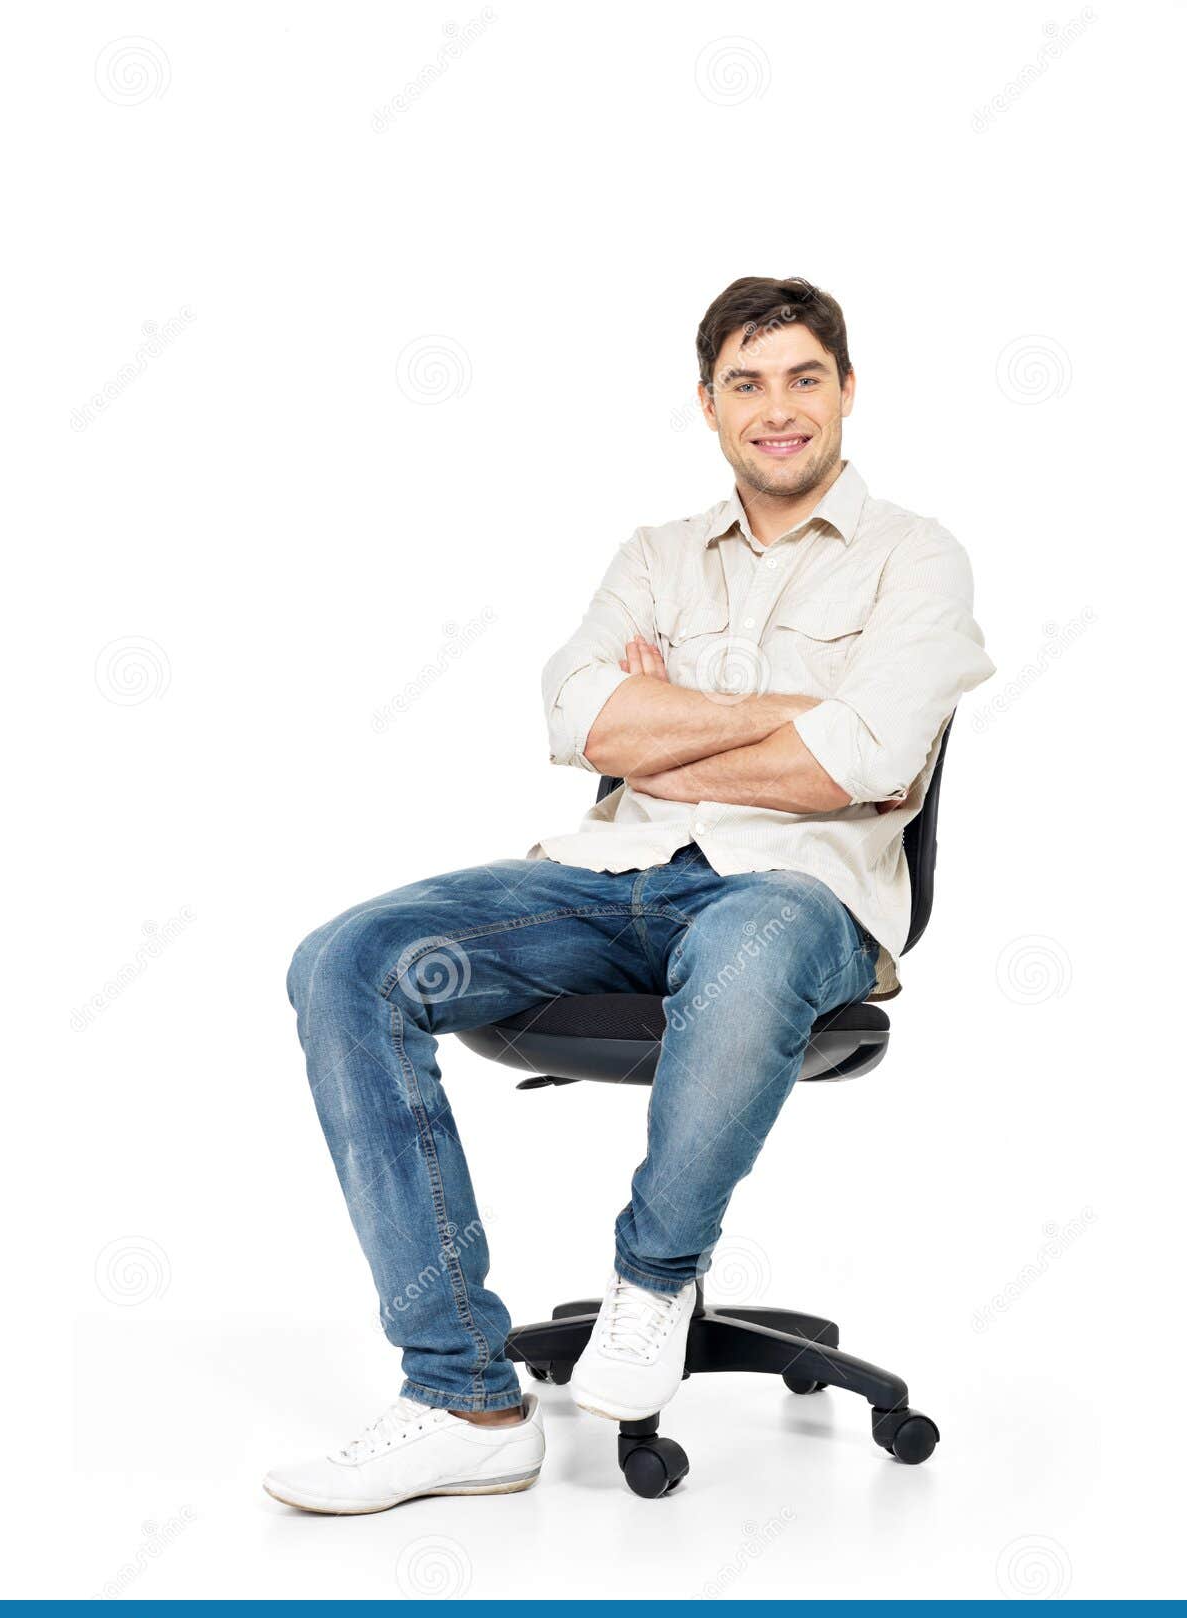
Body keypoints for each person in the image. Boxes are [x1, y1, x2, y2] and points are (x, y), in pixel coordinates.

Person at [263, 275, 996, 1514]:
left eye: (804, 378)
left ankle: (651, 1283)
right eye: (747, 384)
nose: (778, 410)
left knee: (751, 945)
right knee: (349, 960)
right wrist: (789, 724)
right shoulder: (654, 556)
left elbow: (869, 763)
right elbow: (574, 714)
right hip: (614, 882)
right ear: (708, 405)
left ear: (848, 390)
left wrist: (668, 729)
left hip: (797, 899)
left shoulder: (914, 557)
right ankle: (464, 1395)